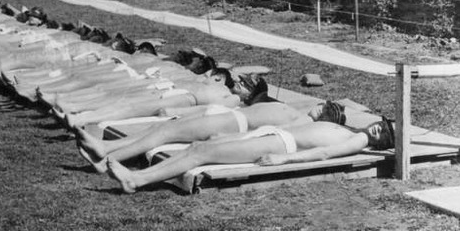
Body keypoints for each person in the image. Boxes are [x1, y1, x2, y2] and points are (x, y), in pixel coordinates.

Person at [105, 117, 395, 193]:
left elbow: (323, 153)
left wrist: (285, 159)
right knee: (197, 149)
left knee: (201, 152)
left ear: (382, 144)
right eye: (382, 124)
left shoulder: (357, 139)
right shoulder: (350, 129)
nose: (379, 129)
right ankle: (137, 177)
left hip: (281, 147)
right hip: (275, 137)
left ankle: (136, 181)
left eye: (384, 133)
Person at [76, 100, 347, 173]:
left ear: (325, 116)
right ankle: (108, 149)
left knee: (166, 132)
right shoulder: (300, 114)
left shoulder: (301, 121)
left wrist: (225, 138)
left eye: (325, 108)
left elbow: (263, 132)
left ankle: (105, 158)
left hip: (236, 124)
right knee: (162, 130)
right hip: (235, 121)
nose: (319, 105)